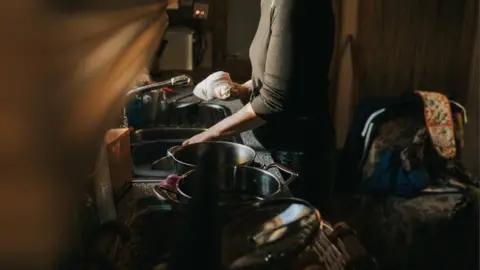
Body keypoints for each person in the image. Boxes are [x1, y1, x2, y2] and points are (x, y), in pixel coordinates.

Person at [183, 0, 336, 210]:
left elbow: (274, 100)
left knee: (294, 236)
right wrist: (239, 90)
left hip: (296, 150)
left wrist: (208, 135)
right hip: (275, 139)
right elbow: (279, 78)